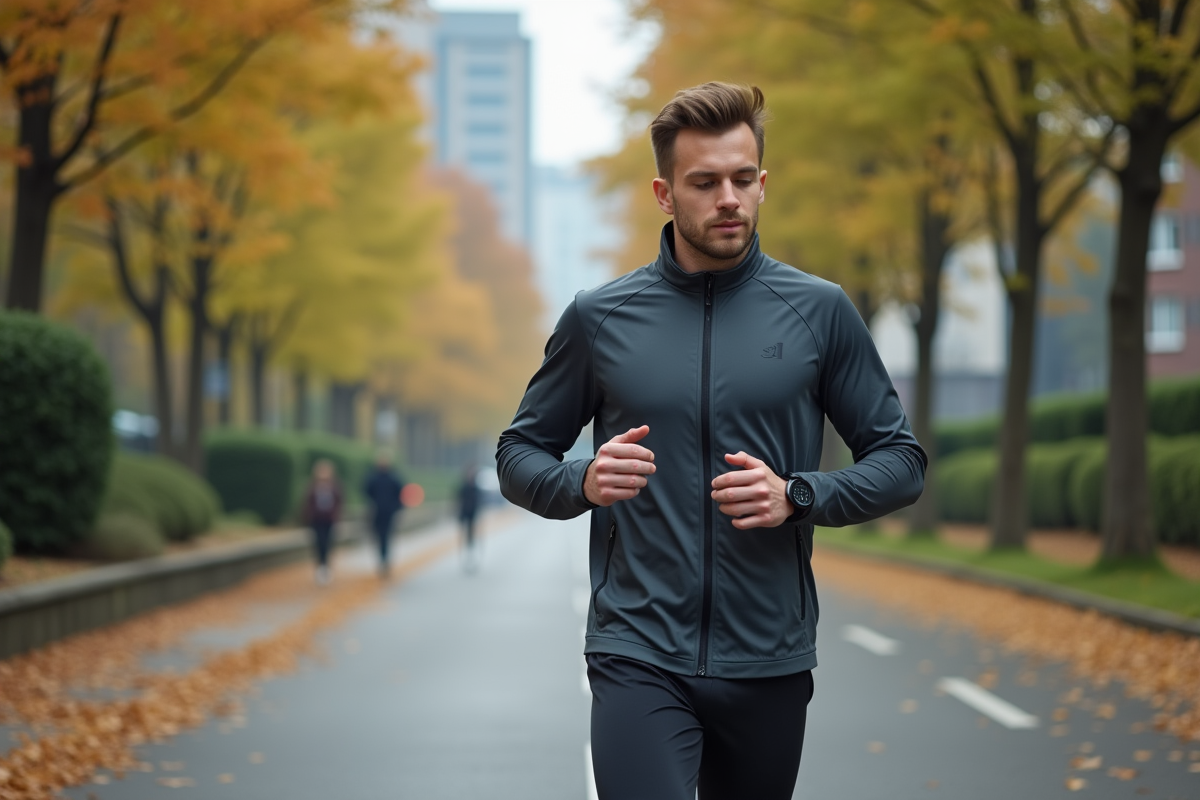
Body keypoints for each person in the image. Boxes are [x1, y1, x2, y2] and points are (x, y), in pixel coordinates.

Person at [496, 82, 926, 800]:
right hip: (637, 650)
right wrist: (582, 482)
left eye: (742, 179)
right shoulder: (600, 318)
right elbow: (518, 454)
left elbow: (901, 462)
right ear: (666, 194)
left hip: (768, 660)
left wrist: (799, 494)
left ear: (762, 184)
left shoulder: (820, 311)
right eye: (705, 182)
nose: (727, 198)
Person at [363, 451, 406, 578]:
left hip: (389, 513)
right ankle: (382, 559)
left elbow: (400, 494)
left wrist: (397, 508)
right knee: (379, 536)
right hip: (377, 512)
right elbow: (367, 491)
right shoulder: (373, 477)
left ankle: (385, 560)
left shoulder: (393, 477)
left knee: (386, 537)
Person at [302, 459, 343, 586]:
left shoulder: (334, 486)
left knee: (327, 543)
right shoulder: (313, 487)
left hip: (329, 520)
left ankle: (326, 566)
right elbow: (307, 503)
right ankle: (320, 566)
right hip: (316, 520)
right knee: (318, 543)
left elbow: (339, 502)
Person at [456, 463, 482, 572]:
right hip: (464, 515)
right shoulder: (463, 487)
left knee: (472, 538)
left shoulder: (476, 487)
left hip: (473, 516)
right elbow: (458, 501)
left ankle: (472, 558)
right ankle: (463, 558)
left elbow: (479, 502)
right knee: (463, 537)